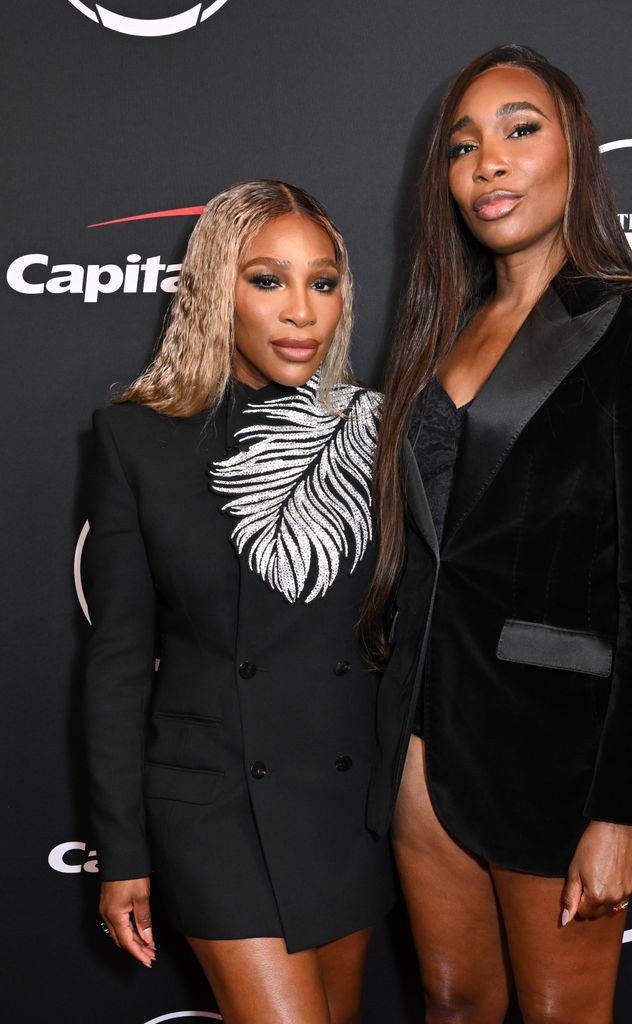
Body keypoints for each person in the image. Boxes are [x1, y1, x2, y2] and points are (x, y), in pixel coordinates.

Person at [362, 44, 632, 1023]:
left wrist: (618, 813)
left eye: (520, 129)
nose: (489, 162)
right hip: (419, 748)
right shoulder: (440, 332)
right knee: (449, 1004)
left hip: (553, 753)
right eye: (463, 145)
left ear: (575, 153)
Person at [84, 180, 392, 1024]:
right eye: (268, 280)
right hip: (216, 805)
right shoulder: (137, 439)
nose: (301, 311)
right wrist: (121, 852)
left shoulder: (378, 432)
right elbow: (117, 664)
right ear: (217, 288)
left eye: (322, 284)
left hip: (343, 803)